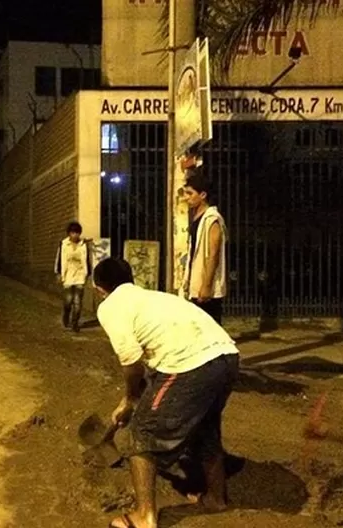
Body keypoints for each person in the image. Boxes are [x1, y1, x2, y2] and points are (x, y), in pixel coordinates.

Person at [94, 258, 239, 528]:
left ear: (99, 289)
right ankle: (216, 499)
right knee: (205, 428)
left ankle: (143, 517)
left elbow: (131, 361)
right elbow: (156, 372)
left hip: (190, 364)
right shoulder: (154, 297)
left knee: (142, 431)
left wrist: (131, 399)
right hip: (227, 357)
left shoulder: (110, 306)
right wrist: (142, 397)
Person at [182, 167, 227, 324]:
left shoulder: (212, 219)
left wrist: (206, 286)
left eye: (190, 193)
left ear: (202, 195)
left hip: (207, 287)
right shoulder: (197, 217)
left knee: (210, 330)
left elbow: (213, 254)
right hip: (196, 282)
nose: (186, 198)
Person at [54, 222, 92, 332]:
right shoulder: (63, 244)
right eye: (72, 233)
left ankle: (75, 323)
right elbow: (59, 259)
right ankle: (66, 316)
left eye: (77, 233)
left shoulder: (83, 245)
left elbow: (87, 260)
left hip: (80, 276)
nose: (74, 235)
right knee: (68, 301)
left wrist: (88, 274)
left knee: (77, 302)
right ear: (69, 233)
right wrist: (58, 273)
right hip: (68, 276)